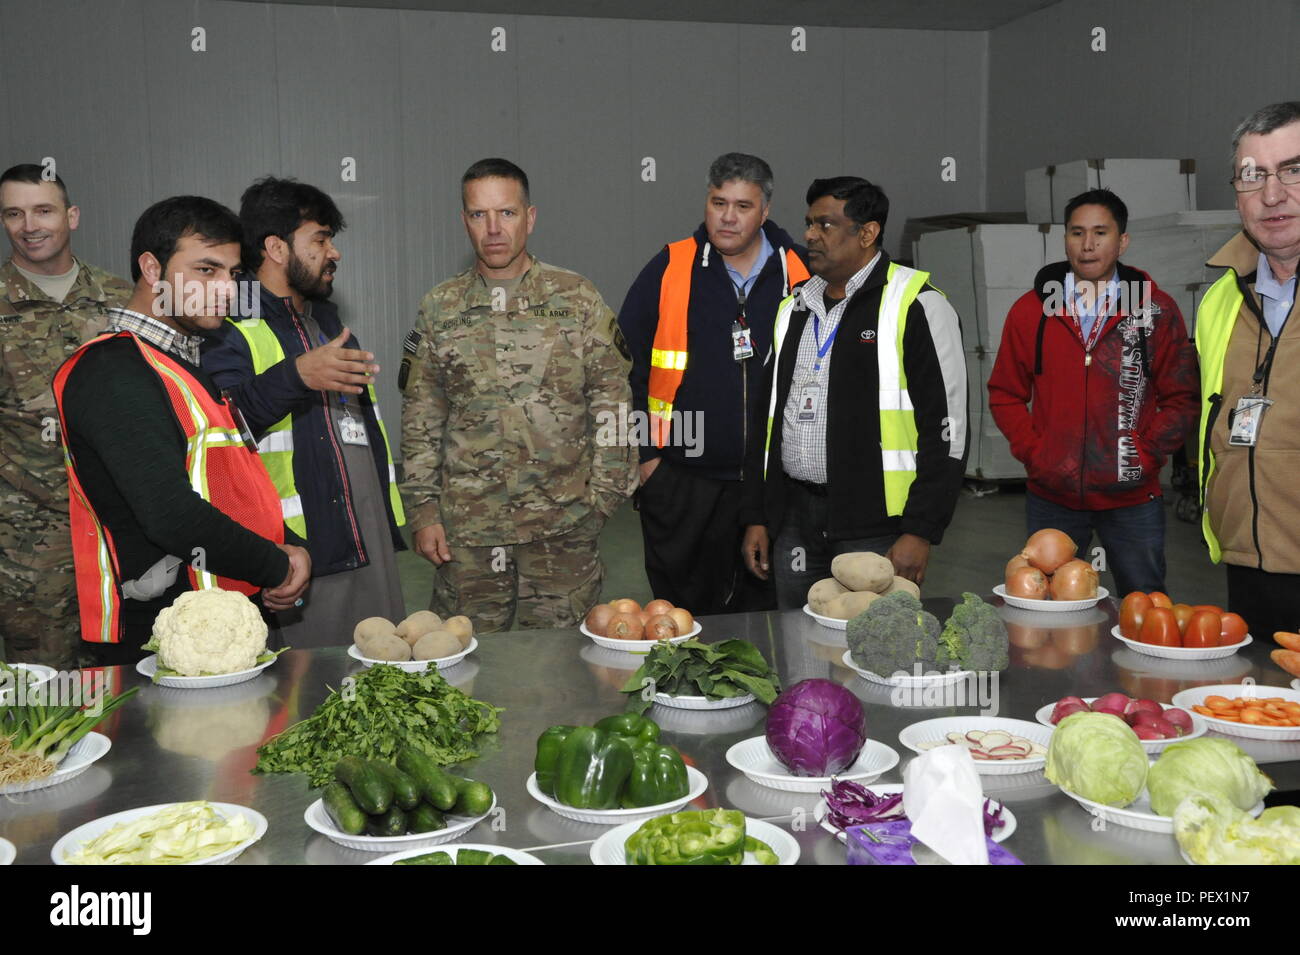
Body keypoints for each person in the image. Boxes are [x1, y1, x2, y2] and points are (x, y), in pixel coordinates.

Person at [52, 196, 311, 666]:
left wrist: (287, 545)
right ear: (152, 268)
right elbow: (170, 515)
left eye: (232, 274)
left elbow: (230, 481)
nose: (226, 290)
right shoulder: (112, 369)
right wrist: (278, 565)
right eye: (206, 270)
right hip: (156, 647)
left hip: (218, 626)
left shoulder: (182, 364)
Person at [400, 159, 635, 633]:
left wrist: (604, 499)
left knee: (561, 672)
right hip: (468, 534)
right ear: (463, 220)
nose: (492, 229)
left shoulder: (577, 298)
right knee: (466, 668)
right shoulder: (440, 307)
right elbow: (422, 416)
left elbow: (613, 403)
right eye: (477, 215)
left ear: (530, 217)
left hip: (562, 529)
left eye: (506, 213)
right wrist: (423, 511)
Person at [740, 177, 967, 608]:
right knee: (799, 645)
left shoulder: (918, 305)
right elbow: (766, 419)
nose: (809, 235)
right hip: (794, 519)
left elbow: (948, 429)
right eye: (808, 223)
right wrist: (757, 515)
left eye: (825, 225)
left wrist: (920, 530)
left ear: (867, 233)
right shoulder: (794, 309)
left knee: (869, 652)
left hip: (877, 525)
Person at [201, 177, 405, 646]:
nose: (333, 252)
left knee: (382, 675)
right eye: (320, 238)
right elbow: (222, 431)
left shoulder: (326, 320)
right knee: (314, 691)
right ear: (275, 247)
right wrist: (297, 376)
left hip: (366, 536)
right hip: (298, 549)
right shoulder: (228, 323)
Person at [617, 153, 808, 615]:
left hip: (768, 482)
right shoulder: (671, 267)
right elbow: (622, 366)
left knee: (763, 617)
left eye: (743, 206)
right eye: (718, 202)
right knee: (679, 615)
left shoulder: (801, 274)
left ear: (765, 211)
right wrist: (647, 459)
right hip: (682, 477)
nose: (727, 216)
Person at [988, 188, 1199, 598]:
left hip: (1132, 497)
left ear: (1122, 241)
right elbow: (1004, 393)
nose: (1087, 245)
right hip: (1053, 495)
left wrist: (1144, 452)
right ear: (1065, 239)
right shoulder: (1031, 311)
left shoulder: (1156, 311)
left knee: (1144, 603)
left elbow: (1182, 397)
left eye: (1100, 233)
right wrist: (1036, 451)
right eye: (1076, 232)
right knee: (1048, 605)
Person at [0, 164, 131, 668]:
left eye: (43, 210)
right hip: (28, 543)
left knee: (126, 673)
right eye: (14, 213)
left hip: (116, 526)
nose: (29, 225)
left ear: (71, 216)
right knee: (43, 686)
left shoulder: (119, 299)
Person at [1197, 101, 1300, 640]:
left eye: (1294, 170)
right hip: (1247, 559)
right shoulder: (1220, 298)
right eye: (1252, 175)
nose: (1272, 194)